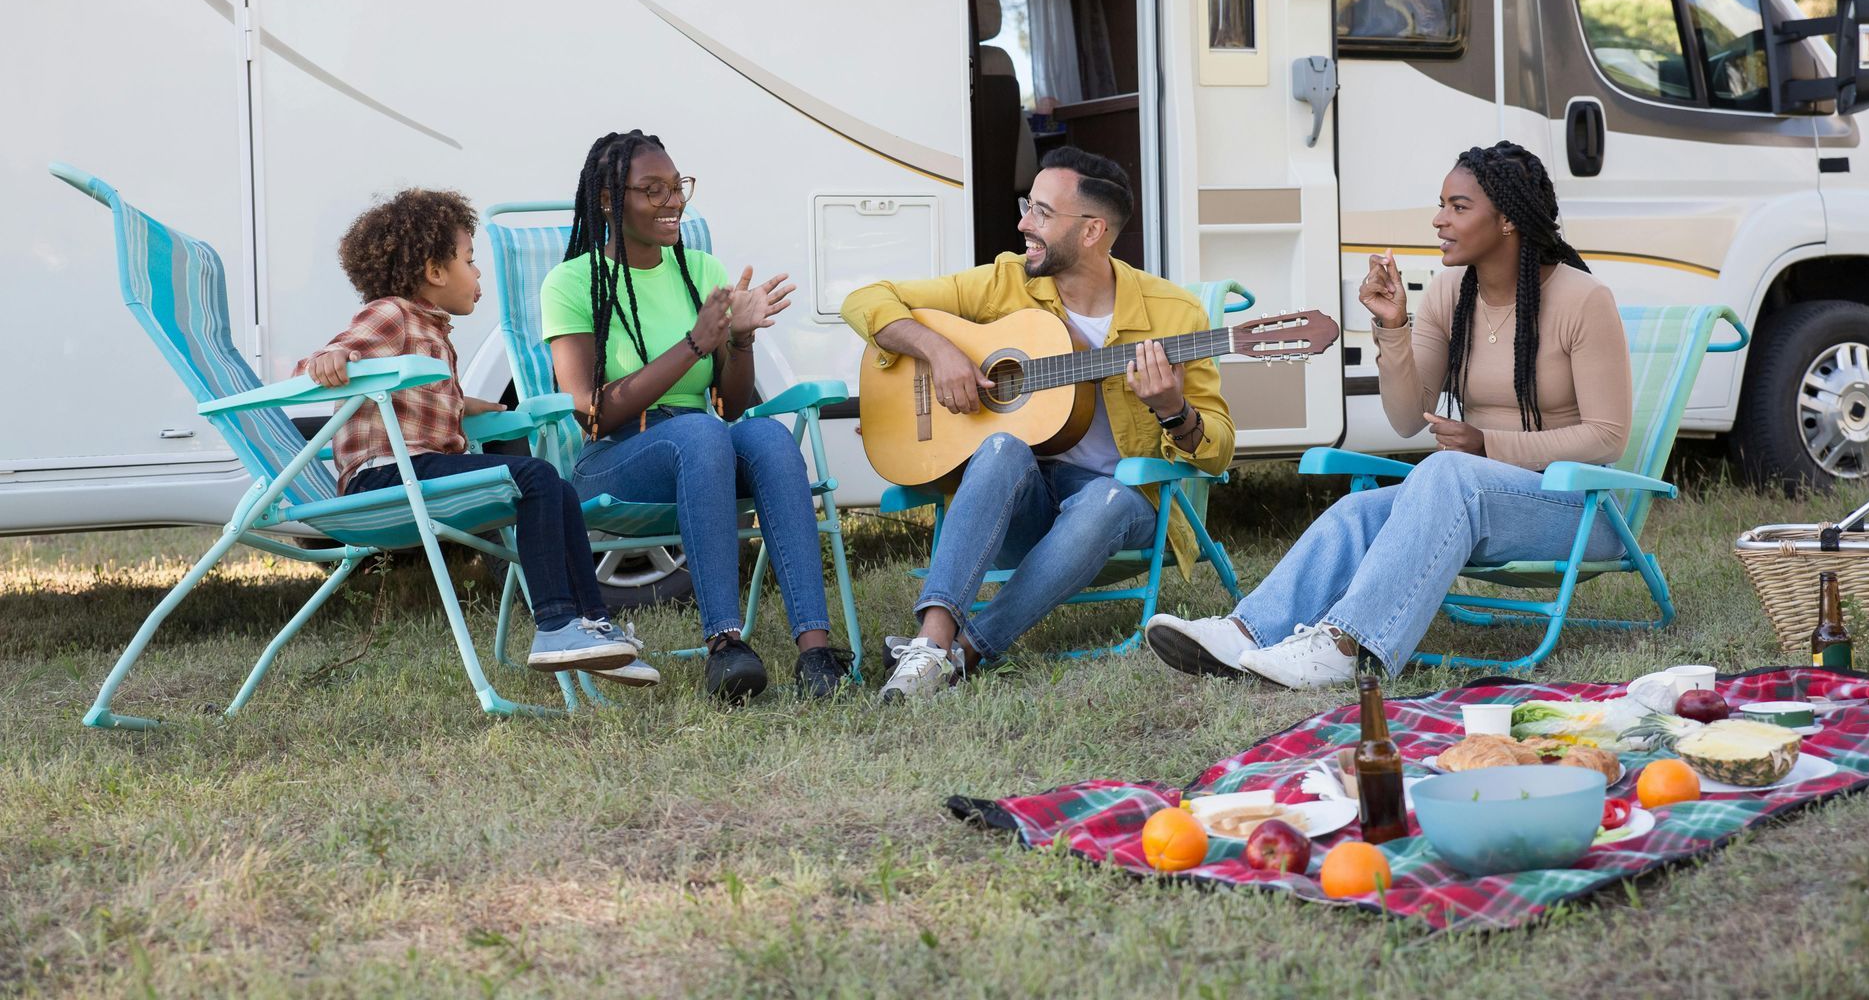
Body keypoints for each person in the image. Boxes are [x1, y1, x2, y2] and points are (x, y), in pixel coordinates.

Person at [1146, 142, 1632, 687]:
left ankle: (1345, 644)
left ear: (1508, 221)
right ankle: (1245, 633)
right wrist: (1392, 328)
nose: (1439, 219)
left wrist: (1488, 445)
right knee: (1358, 511)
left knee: (1448, 471)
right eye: (1441, 204)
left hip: (1576, 512)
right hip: (1475, 500)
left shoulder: (1583, 299)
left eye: (1458, 206)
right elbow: (1406, 419)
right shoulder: (1453, 291)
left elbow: (1608, 438)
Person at [841, 146, 1236, 701]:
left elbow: (1217, 453)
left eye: (1042, 213)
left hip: (1112, 513)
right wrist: (938, 350)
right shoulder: (1007, 283)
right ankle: (932, 644)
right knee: (1002, 445)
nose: (1023, 222)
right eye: (1029, 205)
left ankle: (969, 651)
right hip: (1015, 505)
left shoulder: (1175, 316)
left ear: (1093, 230)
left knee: (1114, 497)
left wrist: (1174, 409)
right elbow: (863, 300)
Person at [300, 189, 658, 686]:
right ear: (434, 271)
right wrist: (330, 361)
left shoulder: (432, 331)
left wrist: (467, 405)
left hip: (417, 472)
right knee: (535, 478)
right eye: (470, 260)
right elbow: (339, 353)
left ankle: (592, 626)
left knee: (555, 488)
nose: (479, 273)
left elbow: (416, 396)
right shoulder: (392, 314)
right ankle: (556, 625)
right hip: (384, 477)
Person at [543, 130, 851, 703]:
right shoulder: (571, 283)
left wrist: (740, 341)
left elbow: (732, 405)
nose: (673, 201)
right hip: (614, 461)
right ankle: (725, 646)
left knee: (767, 437)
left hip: (700, 442)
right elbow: (592, 413)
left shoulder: (699, 267)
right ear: (610, 200)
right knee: (701, 434)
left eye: (677, 186)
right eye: (652, 190)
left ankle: (815, 652)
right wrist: (692, 343)